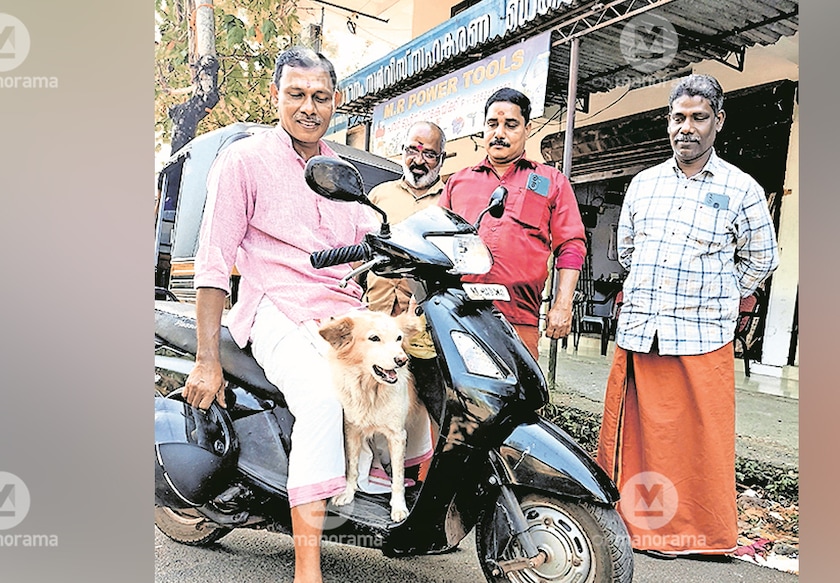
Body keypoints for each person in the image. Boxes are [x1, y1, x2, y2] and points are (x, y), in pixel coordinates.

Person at [181, 47, 428, 583]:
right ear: (277, 96)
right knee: (322, 399)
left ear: (336, 101)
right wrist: (206, 360)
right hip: (274, 305)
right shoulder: (243, 161)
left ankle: (376, 486)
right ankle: (307, 568)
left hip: (340, 309)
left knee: (410, 379)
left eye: (320, 96)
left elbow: (375, 240)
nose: (309, 107)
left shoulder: (339, 170)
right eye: (297, 94)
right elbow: (214, 262)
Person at [595, 73, 779, 558]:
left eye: (699, 117)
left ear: (718, 121)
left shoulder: (742, 188)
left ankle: (696, 534)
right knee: (636, 436)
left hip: (701, 337)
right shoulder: (643, 184)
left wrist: (718, 297)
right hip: (641, 331)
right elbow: (629, 251)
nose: (687, 128)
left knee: (696, 443)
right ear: (667, 122)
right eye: (678, 118)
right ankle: (633, 528)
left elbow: (762, 258)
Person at [438, 88, 586, 359]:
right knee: (458, 397)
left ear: (527, 129)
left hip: (520, 318)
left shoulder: (551, 181)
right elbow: (435, 244)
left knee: (517, 398)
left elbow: (572, 246)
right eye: (492, 124)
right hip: (458, 315)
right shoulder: (458, 183)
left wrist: (563, 304)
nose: (499, 133)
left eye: (511, 125)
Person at [364, 121, 447, 316]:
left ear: (441, 159)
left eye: (429, 154)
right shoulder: (379, 195)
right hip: (374, 314)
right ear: (402, 151)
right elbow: (361, 254)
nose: (418, 161)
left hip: (424, 322)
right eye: (412, 150)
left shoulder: (449, 201)